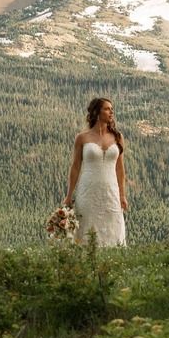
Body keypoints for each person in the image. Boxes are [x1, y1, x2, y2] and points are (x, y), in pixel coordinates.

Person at [64, 96, 128, 247]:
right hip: (87, 191)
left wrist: (122, 195)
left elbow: (120, 169)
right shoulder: (82, 138)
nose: (111, 112)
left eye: (112, 109)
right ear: (96, 112)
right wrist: (68, 196)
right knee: (86, 228)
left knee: (113, 228)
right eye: (107, 109)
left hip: (110, 192)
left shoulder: (118, 137)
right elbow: (75, 167)